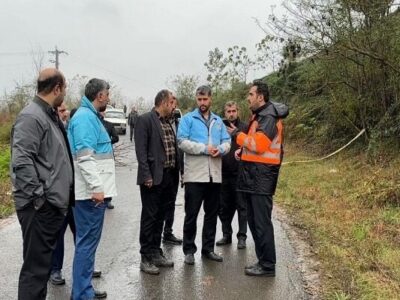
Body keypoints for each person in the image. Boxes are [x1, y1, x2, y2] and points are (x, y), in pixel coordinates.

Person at [10, 68, 74, 300]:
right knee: (35, 272)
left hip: (48, 206)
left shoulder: (47, 113)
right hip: (39, 208)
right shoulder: (32, 116)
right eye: (64, 89)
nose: (64, 93)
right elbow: (22, 162)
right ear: (57, 88)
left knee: (41, 269)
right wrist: (40, 201)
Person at [231, 80, 288, 277]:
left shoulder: (268, 116)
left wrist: (238, 136)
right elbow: (253, 145)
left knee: (261, 223)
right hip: (253, 176)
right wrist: (242, 151)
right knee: (255, 222)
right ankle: (263, 261)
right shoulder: (260, 115)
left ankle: (268, 266)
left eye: (250, 94)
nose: (248, 98)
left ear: (260, 97)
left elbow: (261, 145)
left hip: (262, 178)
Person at [68, 78, 117, 299]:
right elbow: (85, 158)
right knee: (86, 245)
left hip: (93, 193)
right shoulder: (85, 118)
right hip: (90, 195)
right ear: (99, 95)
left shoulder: (88, 116)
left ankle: (83, 288)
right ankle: (82, 293)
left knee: (87, 244)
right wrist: (97, 188)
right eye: (107, 94)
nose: (108, 97)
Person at [177, 85, 231, 265]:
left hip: (214, 175)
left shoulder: (218, 121)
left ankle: (208, 249)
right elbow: (182, 142)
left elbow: (227, 141)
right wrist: (204, 149)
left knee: (211, 214)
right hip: (195, 175)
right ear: (196, 99)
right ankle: (189, 250)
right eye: (199, 99)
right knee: (191, 214)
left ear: (211, 99)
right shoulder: (187, 119)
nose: (202, 103)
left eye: (205, 99)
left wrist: (221, 149)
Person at [134, 89, 178, 275]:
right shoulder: (145, 120)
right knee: (149, 216)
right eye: (172, 102)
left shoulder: (169, 122)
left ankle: (155, 251)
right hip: (153, 177)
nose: (174, 106)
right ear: (163, 102)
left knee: (161, 215)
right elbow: (141, 151)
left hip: (169, 176)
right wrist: (146, 176)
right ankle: (145, 256)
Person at [49, 103, 77, 286]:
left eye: (65, 110)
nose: (65, 113)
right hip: (59, 193)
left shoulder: (72, 129)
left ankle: (84, 266)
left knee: (80, 232)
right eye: (61, 111)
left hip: (74, 192)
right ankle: (55, 270)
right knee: (58, 235)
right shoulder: (52, 132)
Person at [216, 101, 248, 249]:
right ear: (225, 112)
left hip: (240, 174)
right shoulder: (219, 127)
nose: (231, 113)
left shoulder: (245, 128)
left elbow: (249, 147)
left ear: (238, 111)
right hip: (222, 173)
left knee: (242, 206)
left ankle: (242, 237)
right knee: (223, 207)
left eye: (233, 111)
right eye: (228, 111)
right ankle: (226, 234)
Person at [162, 95, 183, 245]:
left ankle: (167, 232)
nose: (173, 109)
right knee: (159, 206)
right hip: (161, 170)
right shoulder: (156, 122)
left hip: (174, 170)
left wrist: (182, 171)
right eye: (171, 105)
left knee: (171, 202)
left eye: (175, 106)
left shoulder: (178, 123)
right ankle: (155, 239)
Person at [99, 109, 119, 209]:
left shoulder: (109, 125)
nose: (101, 113)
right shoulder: (94, 123)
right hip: (96, 156)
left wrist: (107, 142)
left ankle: (108, 200)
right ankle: (100, 198)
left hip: (107, 155)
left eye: (103, 112)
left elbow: (116, 138)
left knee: (108, 178)